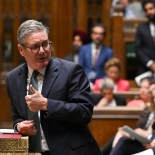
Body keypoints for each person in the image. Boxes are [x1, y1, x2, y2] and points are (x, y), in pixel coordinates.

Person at [5, 20, 101, 155]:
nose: (42, 51)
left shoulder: (71, 71)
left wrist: (46, 104)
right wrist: (19, 126)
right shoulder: (13, 78)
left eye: (45, 44)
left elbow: (84, 112)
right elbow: (17, 118)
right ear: (21, 50)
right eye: (35, 47)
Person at [101, 77, 153, 155]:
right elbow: (145, 129)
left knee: (124, 141)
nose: (142, 90)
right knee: (122, 134)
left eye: (145, 88)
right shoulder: (148, 109)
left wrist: (147, 134)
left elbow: (150, 133)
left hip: (150, 145)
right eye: (141, 87)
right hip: (145, 141)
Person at [135, 0, 155, 76]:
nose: (149, 12)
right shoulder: (141, 29)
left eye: (151, 8)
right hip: (146, 69)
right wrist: (150, 63)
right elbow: (138, 49)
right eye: (146, 10)